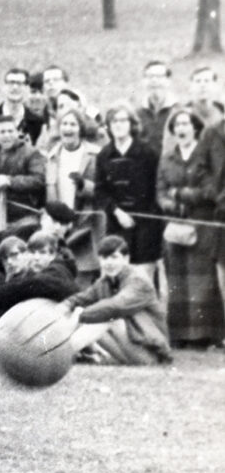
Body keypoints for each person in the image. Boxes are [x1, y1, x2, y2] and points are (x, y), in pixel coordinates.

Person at [155, 109, 225, 346]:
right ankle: (180, 335)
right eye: (177, 124)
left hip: (202, 224)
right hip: (175, 224)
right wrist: (170, 203)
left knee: (201, 279)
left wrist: (182, 194)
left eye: (186, 123)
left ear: (195, 127)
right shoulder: (167, 158)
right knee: (176, 278)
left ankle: (204, 335)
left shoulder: (204, 155)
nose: (181, 128)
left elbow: (211, 190)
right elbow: (160, 191)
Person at [64, 236, 173, 365]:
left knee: (107, 318)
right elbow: (80, 298)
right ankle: (53, 350)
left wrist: (79, 316)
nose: (109, 263)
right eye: (104, 258)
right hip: (130, 348)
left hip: (152, 353)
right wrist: (63, 307)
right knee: (80, 310)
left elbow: (115, 306)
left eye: (114, 257)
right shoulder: (105, 282)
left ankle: (60, 354)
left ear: (126, 259)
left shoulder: (138, 280)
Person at [93, 104, 163, 282]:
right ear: (108, 126)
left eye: (123, 120)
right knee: (116, 278)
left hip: (145, 227)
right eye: (114, 121)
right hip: (116, 225)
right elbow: (100, 191)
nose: (118, 125)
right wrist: (116, 211)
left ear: (132, 124)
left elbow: (157, 188)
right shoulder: (104, 155)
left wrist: (145, 219)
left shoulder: (148, 153)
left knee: (143, 280)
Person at [0, 114, 47, 236]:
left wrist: (10, 181)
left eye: (10, 131)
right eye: (2, 132)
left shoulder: (31, 153)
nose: (7, 135)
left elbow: (39, 180)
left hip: (26, 217)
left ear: (18, 132)